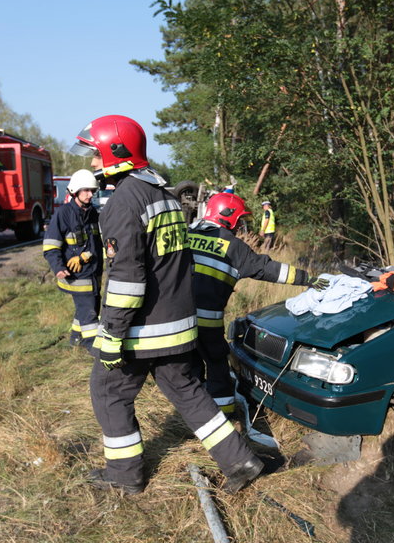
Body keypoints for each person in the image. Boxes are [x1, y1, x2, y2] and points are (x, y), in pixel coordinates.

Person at [70, 114, 263, 495]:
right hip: (179, 324)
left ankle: (124, 477)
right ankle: (240, 460)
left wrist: (111, 336)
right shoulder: (161, 192)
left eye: (96, 155)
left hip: (144, 331)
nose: (92, 164)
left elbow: (126, 279)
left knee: (108, 392)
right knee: (188, 392)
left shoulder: (123, 203)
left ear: (116, 151)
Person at [188, 193, 328, 414]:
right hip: (208, 322)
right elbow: (268, 269)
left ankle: (194, 415)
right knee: (216, 364)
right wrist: (307, 279)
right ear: (228, 216)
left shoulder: (187, 234)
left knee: (190, 368)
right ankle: (223, 415)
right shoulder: (233, 247)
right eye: (239, 220)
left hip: (180, 320)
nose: (239, 225)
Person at [42, 169, 104, 349]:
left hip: (93, 274)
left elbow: (96, 241)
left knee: (87, 308)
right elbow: (50, 246)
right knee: (90, 312)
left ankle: (75, 340)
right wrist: (59, 268)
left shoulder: (93, 213)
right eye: (86, 190)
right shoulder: (63, 214)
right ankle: (91, 346)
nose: (90, 194)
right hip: (77, 276)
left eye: (92, 190)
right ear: (75, 191)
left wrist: (90, 254)